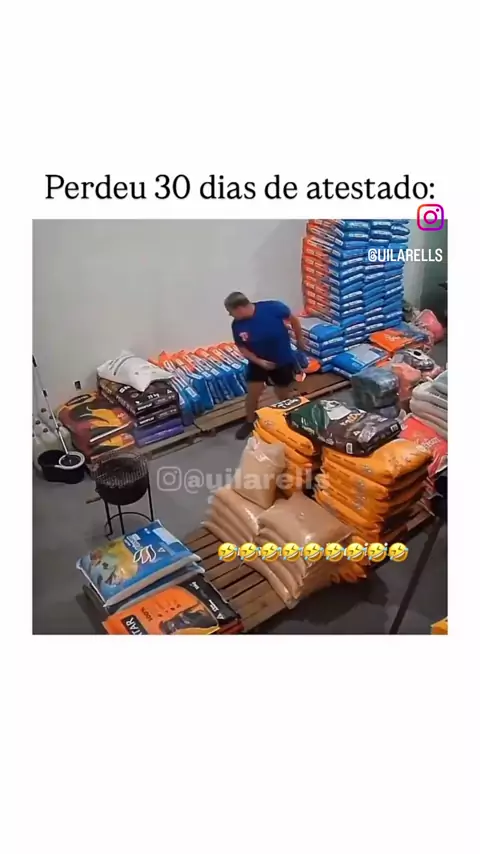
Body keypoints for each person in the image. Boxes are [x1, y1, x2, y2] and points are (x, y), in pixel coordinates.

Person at [224, 292, 305, 439]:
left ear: (239, 309)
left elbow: (293, 320)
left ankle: (290, 418)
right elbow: (242, 347)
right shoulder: (237, 325)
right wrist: (259, 361)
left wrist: (300, 339)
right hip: (258, 362)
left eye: (231, 312)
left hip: (282, 359)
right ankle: (249, 422)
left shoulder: (273, 308)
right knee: (253, 393)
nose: (230, 315)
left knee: (283, 392)